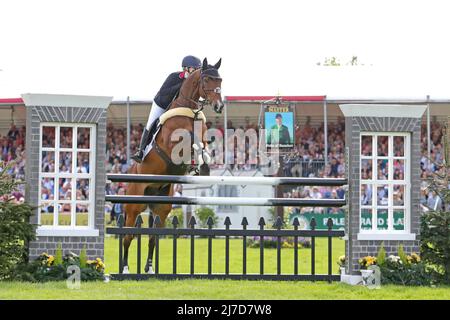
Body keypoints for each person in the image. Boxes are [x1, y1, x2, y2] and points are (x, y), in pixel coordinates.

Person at [131, 55, 202, 163]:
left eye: (198, 69)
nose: (196, 71)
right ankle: (141, 151)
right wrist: (183, 84)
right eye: (195, 69)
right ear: (186, 68)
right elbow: (165, 92)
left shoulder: (193, 82)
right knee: (151, 124)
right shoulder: (174, 77)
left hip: (176, 109)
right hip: (162, 104)